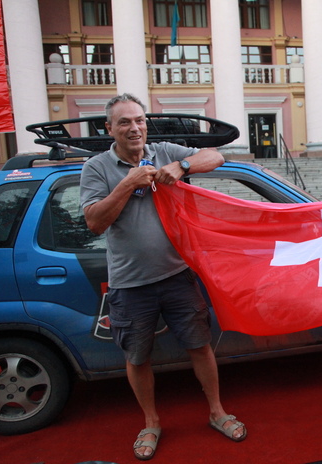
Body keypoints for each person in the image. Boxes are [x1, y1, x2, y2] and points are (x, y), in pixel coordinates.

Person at [80, 93, 246, 460]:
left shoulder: (164, 150)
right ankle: (151, 423)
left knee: (200, 345)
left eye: (139, 120)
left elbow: (216, 155)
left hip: (177, 275)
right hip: (129, 284)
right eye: (124, 122)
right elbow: (94, 222)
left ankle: (217, 412)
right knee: (138, 357)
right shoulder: (96, 168)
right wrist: (127, 183)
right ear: (109, 129)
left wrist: (183, 166)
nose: (134, 128)